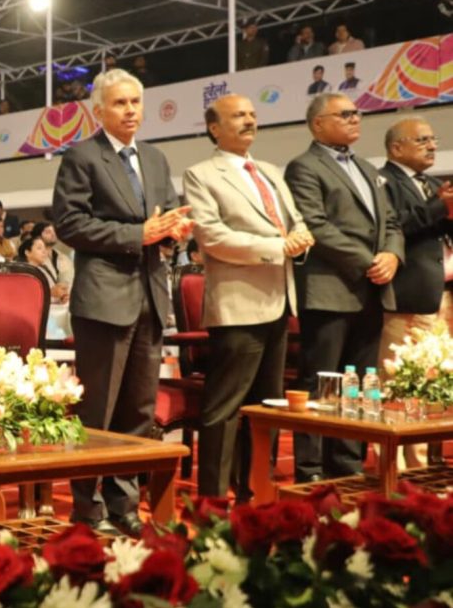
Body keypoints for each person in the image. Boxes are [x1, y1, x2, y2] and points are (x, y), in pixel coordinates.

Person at [52, 68, 192, 537]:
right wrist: (138, 234)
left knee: (138, 411)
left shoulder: (154, 157)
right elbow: (69, 224)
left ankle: (124, 503)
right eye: (120, 103)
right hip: (104, 298)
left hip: (150, 293)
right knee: (98, 411)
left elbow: (164, 220)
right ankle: (86, 508)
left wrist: (173, 232)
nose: (130, 110)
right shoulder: (82, 156)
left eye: (135, 102)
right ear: (99, 110)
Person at [182, 94, 313, 501]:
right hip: (237, 305)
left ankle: (255, 491)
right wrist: (278, 247)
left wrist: (302, 239)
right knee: (225, 408)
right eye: (238, 115)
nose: (249, 121)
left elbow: (295, 221)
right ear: (214, 128)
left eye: (253, 114)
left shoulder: (270, 171)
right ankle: (213, 499)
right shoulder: (201, 174)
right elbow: (212, 236)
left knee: (267, 407)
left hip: (278, 300)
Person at [285, 92, 402, 483]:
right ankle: (311, 469)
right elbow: (315, 225)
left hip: (372, 289)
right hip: (330, 289)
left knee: (361, 381)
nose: (356, 119)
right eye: (346, 114)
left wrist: (392, 255)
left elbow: (392, 222)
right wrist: (368, 260)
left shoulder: (367, 168)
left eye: (357, 113)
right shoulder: (303, 166)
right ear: (318, 123)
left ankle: (348, 464)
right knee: (320, 380)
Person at [378, 117, 453, 467]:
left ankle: (422, 464)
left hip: (441, 294)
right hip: (405, 296)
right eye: (422, 140)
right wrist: (440, 207)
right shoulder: (383, 182)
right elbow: (393, 228)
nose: (432, 146)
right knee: (396, 379)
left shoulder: (434, 184)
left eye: (433, 139)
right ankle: (392, 466)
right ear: (397, 148)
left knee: (432, 379)